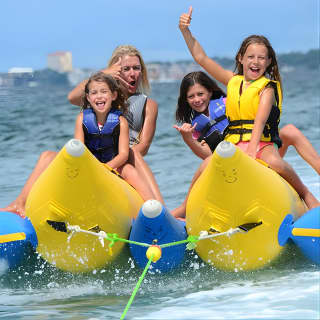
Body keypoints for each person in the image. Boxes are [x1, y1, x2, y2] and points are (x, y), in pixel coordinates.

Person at [173, 6, 319, 216]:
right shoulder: (233, 81)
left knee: (276, 163)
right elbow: (201, 58)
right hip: (233, 143)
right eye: (250, 56)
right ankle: (187, 208)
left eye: (261, 58)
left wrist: (252, 150)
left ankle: (305, 195)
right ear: (241, 58)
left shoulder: (267, 87)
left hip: (261, 143)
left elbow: (260, 120)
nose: (256, 62)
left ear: (268, 62)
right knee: (206, 165)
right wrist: (185, 31)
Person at [1, 45, 163, 215]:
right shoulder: (101, 99)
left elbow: (142, 147)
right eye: (126, 68)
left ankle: (160, 208)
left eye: (137, 68)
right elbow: (72, 97)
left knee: (133, 152)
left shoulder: (148, 105)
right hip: (93, 158)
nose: (132, 73)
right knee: (48, 155)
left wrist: (113, 164)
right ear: (116, 72)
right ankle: (19, 204)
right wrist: (104, 74)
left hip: (123, 160)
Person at [172, 71, 320, 217]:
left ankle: (305, 193)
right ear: (186, 100)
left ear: (210, 92)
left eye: (200, 94)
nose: (196, 99)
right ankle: (186, 206)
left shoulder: (228, 102)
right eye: (191, 96)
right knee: (208, 161)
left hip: (259, 151)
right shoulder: (195, 126)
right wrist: (188, 138)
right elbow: (207, 155)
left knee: (289, 131)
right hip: (235, 168)